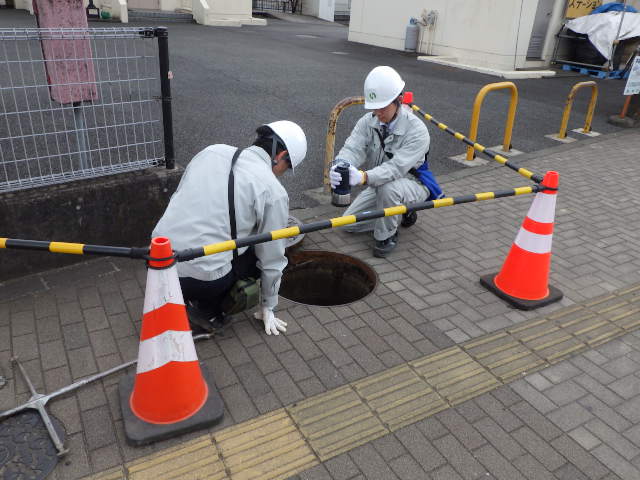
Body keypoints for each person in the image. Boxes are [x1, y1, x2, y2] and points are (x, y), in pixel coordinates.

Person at [152, 121, 307, 335]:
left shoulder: (211, 151)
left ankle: (172, 296)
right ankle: (207, 311)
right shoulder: (273, 190)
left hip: (157, 260)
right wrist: (268, 306)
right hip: (200, 278)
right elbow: (272, 257)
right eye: (286, 167)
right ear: (280, 156)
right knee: (257, 252)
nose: (282, 174)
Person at [330, 65, 443, 258]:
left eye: (383, 107)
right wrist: (341, 164)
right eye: (374, 108)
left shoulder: (417, 131)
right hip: (379, 183)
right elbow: (353, 147)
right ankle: (398, 212)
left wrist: (364, 177)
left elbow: (396, 168)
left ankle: (387, 235)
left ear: (398, 100)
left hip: (413, 184)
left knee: (389, 190)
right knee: (348, 223)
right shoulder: (368, 121)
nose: (378, 112)